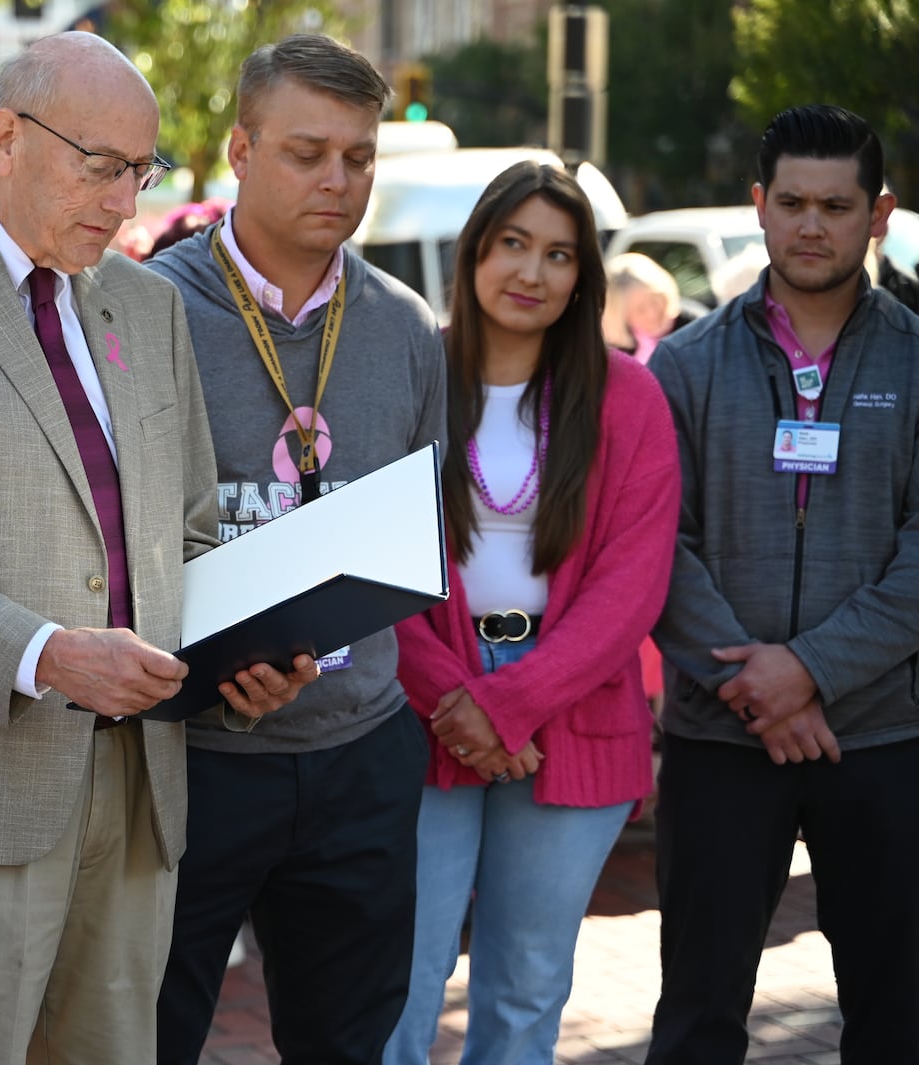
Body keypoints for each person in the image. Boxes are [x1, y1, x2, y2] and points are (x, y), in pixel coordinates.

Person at [0, 31, 316, 1065]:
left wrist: (240, 659)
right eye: (101, 166)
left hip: (136, 791)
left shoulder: (146, 303)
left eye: (143, 170)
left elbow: (185, 534)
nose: (125, 199)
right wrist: (46, 653)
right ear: (6, 136)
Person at [146, 35, 444, 1065]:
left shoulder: (406, 326)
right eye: (307, 151)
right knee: (151, 1034)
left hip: (357, 751)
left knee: (347, 1044)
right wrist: (211, 668)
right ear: (239, 148)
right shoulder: (146, 312)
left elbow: (418, 521)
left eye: (358, 157)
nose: (337, 179)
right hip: (191, 759)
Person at [381, 160, 680, 1065]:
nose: (532, 272)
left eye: (558, 254)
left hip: (572, 713)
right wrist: (458, 702)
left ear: (583, 275)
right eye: (513, 244)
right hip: (421, 705)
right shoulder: (409, 372)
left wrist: (509, 705)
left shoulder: (628, 397)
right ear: (475, 252)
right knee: (397, 982)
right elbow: (370, 561)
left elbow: (631, 585)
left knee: (526, 990)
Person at [645, 104, 919, 1064]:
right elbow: (656, 546)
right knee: (698, 1013)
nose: (812, 225)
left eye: (836, 206)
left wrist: (807, 671)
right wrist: (752, 686)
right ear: (758, 206)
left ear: (878, 215)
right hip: (720, 736)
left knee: (897, 1013)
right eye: (792, 202)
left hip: (881, 736)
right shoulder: (682, 365)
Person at [602, 251, 680, 364]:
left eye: (654, 301)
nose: (652, 313)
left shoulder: (691, 326)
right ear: (623, 319)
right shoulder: (617, 356)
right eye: (640, 310)